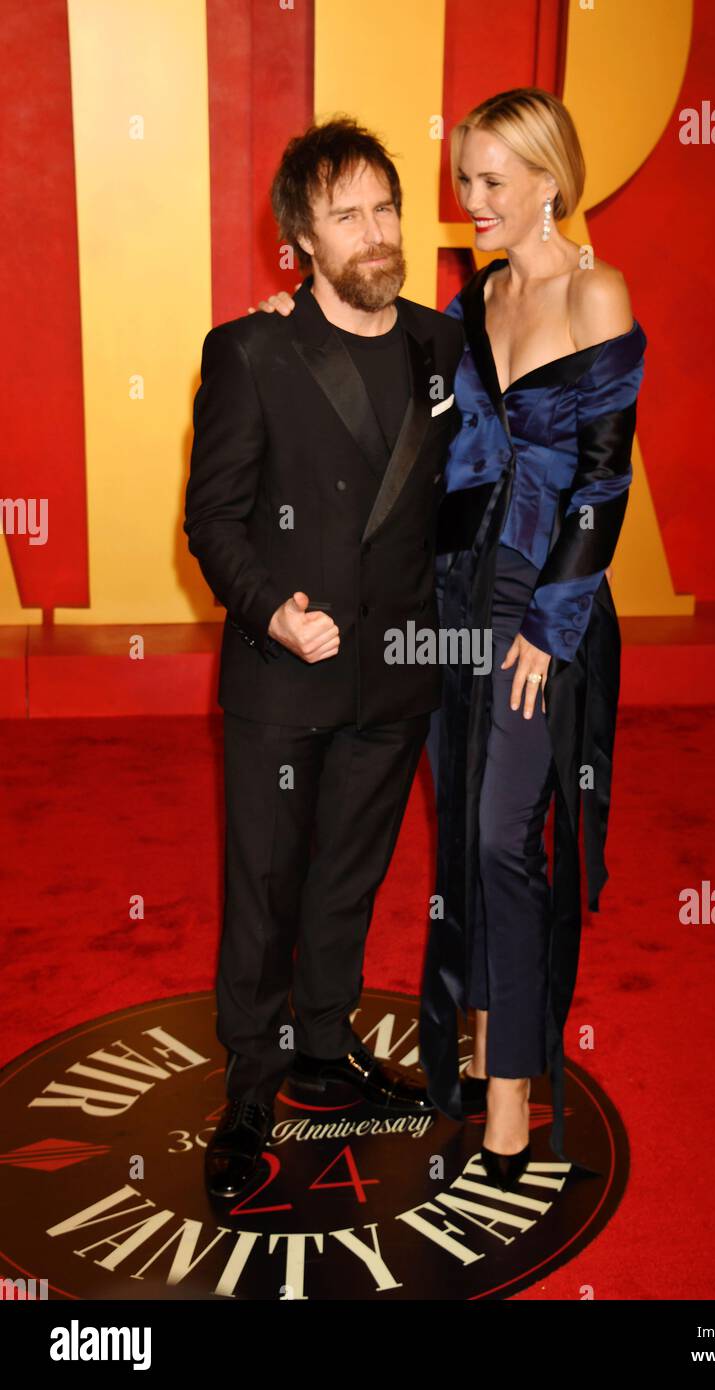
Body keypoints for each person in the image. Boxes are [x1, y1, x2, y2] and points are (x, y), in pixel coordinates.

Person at [256, 86, 646, 1193]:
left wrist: (549, 625)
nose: (467, 200)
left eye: (489, 181)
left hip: (539, 601)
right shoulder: (473, 300)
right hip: (450, 600)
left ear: (547, 180)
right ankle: (477, 1063)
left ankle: (513, 1112)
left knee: (498, 838)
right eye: (463, 178)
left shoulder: (597, 292)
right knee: (462, 839)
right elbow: (385, 346)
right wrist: (291, 315)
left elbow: (605, 481)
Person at [183, 117, 465, 1200]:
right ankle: (250, 1086)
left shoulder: (441, 346)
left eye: (385, 207)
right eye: (346, 214)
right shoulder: (250, 350)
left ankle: (321, 1045)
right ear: (297, 239)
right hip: (284, 674)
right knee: (265, 887)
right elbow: (213, 521)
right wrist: (272, 613)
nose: (376, 231)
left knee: (349, 878)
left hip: (395, 674)